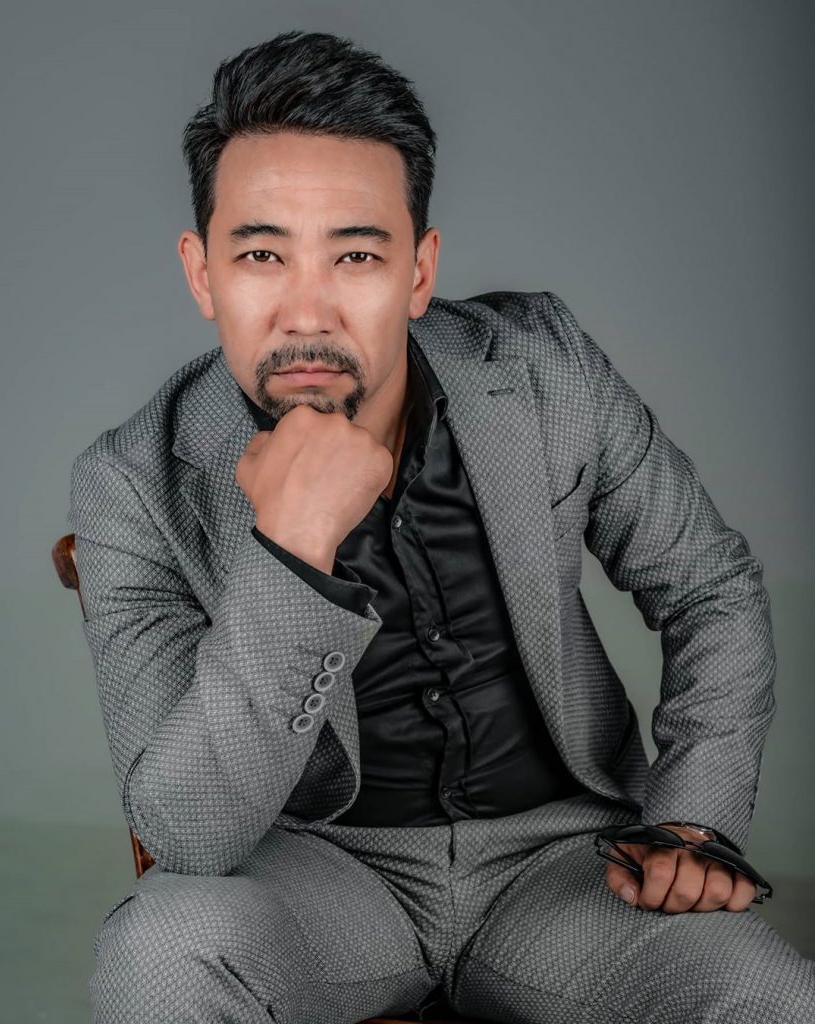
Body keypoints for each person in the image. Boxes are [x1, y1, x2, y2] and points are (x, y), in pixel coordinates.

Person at [68, 28, 814, 1024]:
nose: (306, 312)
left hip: (564, 868)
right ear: (203, 274)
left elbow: (709, 589)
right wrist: (292, 554)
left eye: (356, 255)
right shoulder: (131, 481)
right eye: (261, 254)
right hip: (320, 873)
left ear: (418, 272)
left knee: (764, 993)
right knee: (159, 956)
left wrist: (692, 818)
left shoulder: (543, 370)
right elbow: (188, 832)